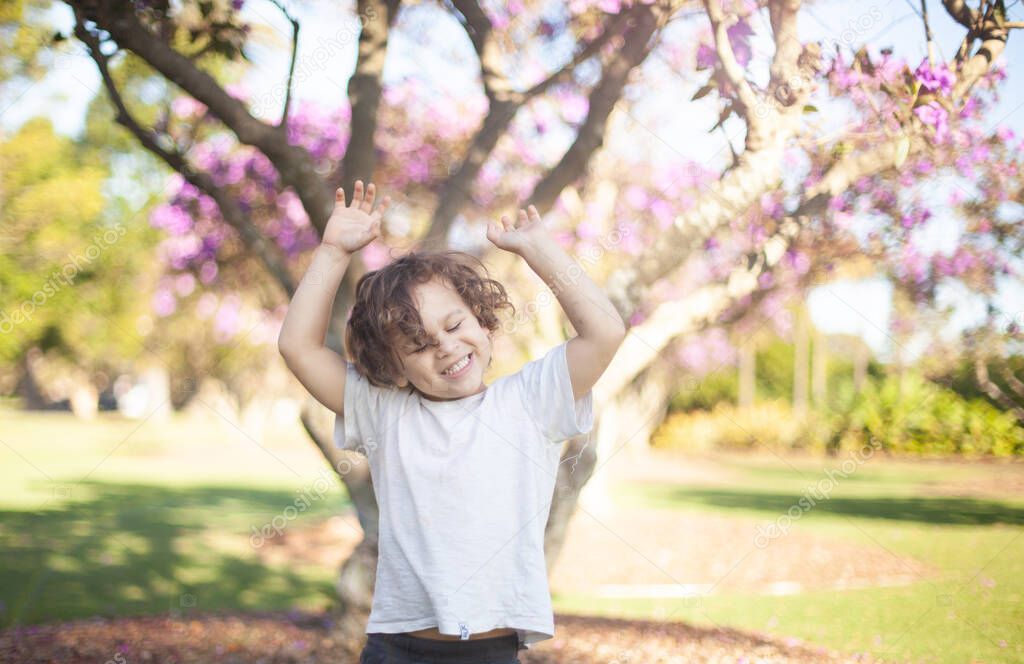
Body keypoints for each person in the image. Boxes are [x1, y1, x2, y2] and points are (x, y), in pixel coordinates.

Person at [278, 180, 627, 663]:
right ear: (394, 367)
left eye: (455, 325)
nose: (444, 347)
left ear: (482, 320)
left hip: (490, 651)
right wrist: (333, 251)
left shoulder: (529, 402)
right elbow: (298, 347)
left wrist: (539, 249)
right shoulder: (384, 410)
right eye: (418, 345)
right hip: (396, 650)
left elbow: (605, 331)